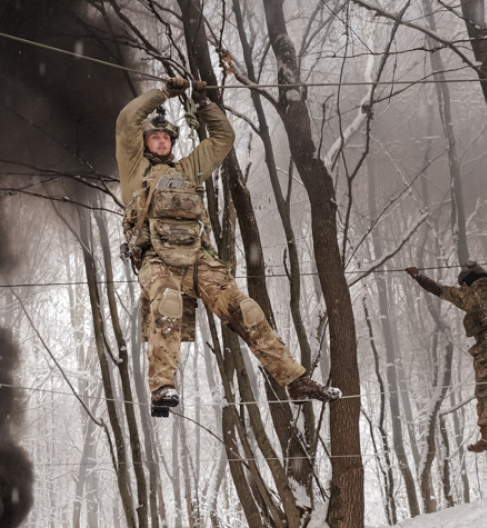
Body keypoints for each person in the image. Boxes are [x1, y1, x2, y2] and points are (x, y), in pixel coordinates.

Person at [116, 77, 340, 417]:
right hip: (156, 259)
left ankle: (295, 380)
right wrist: (165, 93)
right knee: (168, 303)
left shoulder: (187, 170)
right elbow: (127, 120)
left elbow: (223, 138)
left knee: (244, 308)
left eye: (165, 137)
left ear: (172, 142)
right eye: (154, 136)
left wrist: (205, 105)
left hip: (198, 259)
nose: (160, 141)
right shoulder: (135, 170)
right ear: (145, 142)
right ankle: (162, 388)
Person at [406, 257, 487, 452]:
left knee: (486, 390)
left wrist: (418, 276)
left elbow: (440, 290)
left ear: (466, 282)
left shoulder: (470, 295)